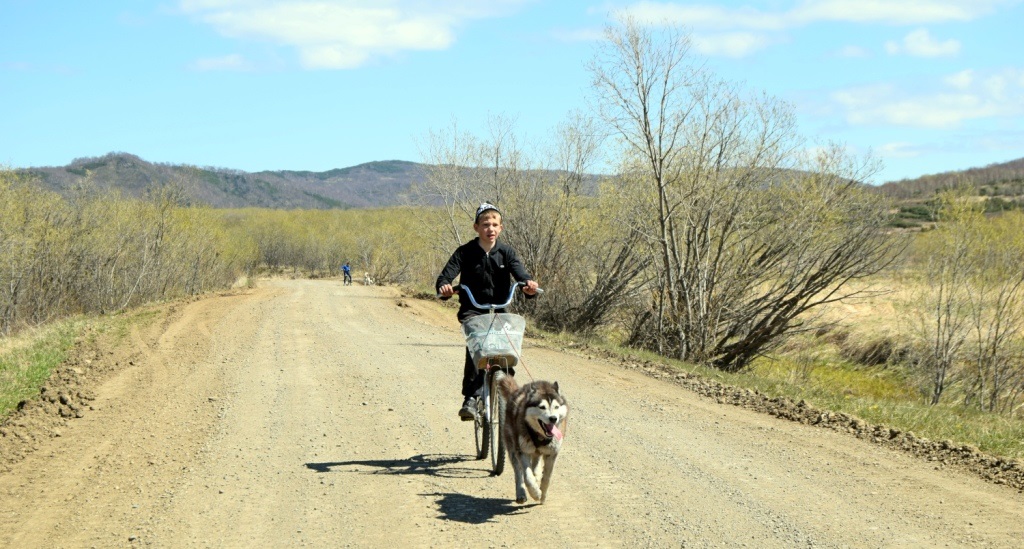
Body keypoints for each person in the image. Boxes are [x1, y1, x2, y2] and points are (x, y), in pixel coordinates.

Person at [436, 202, 539, 420]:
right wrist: (444, 287)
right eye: (485, 224)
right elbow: (445, 277)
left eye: (494, 224)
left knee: (505, 353)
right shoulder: (465, 252)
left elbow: (521, 274)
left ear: (500, 228)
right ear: (476, 228)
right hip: (473, 310)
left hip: (500, 311)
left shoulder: (506, 252)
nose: (490, 228)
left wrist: (528, 286)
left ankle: (508, 394)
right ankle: (472, 398)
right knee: (477, 350)